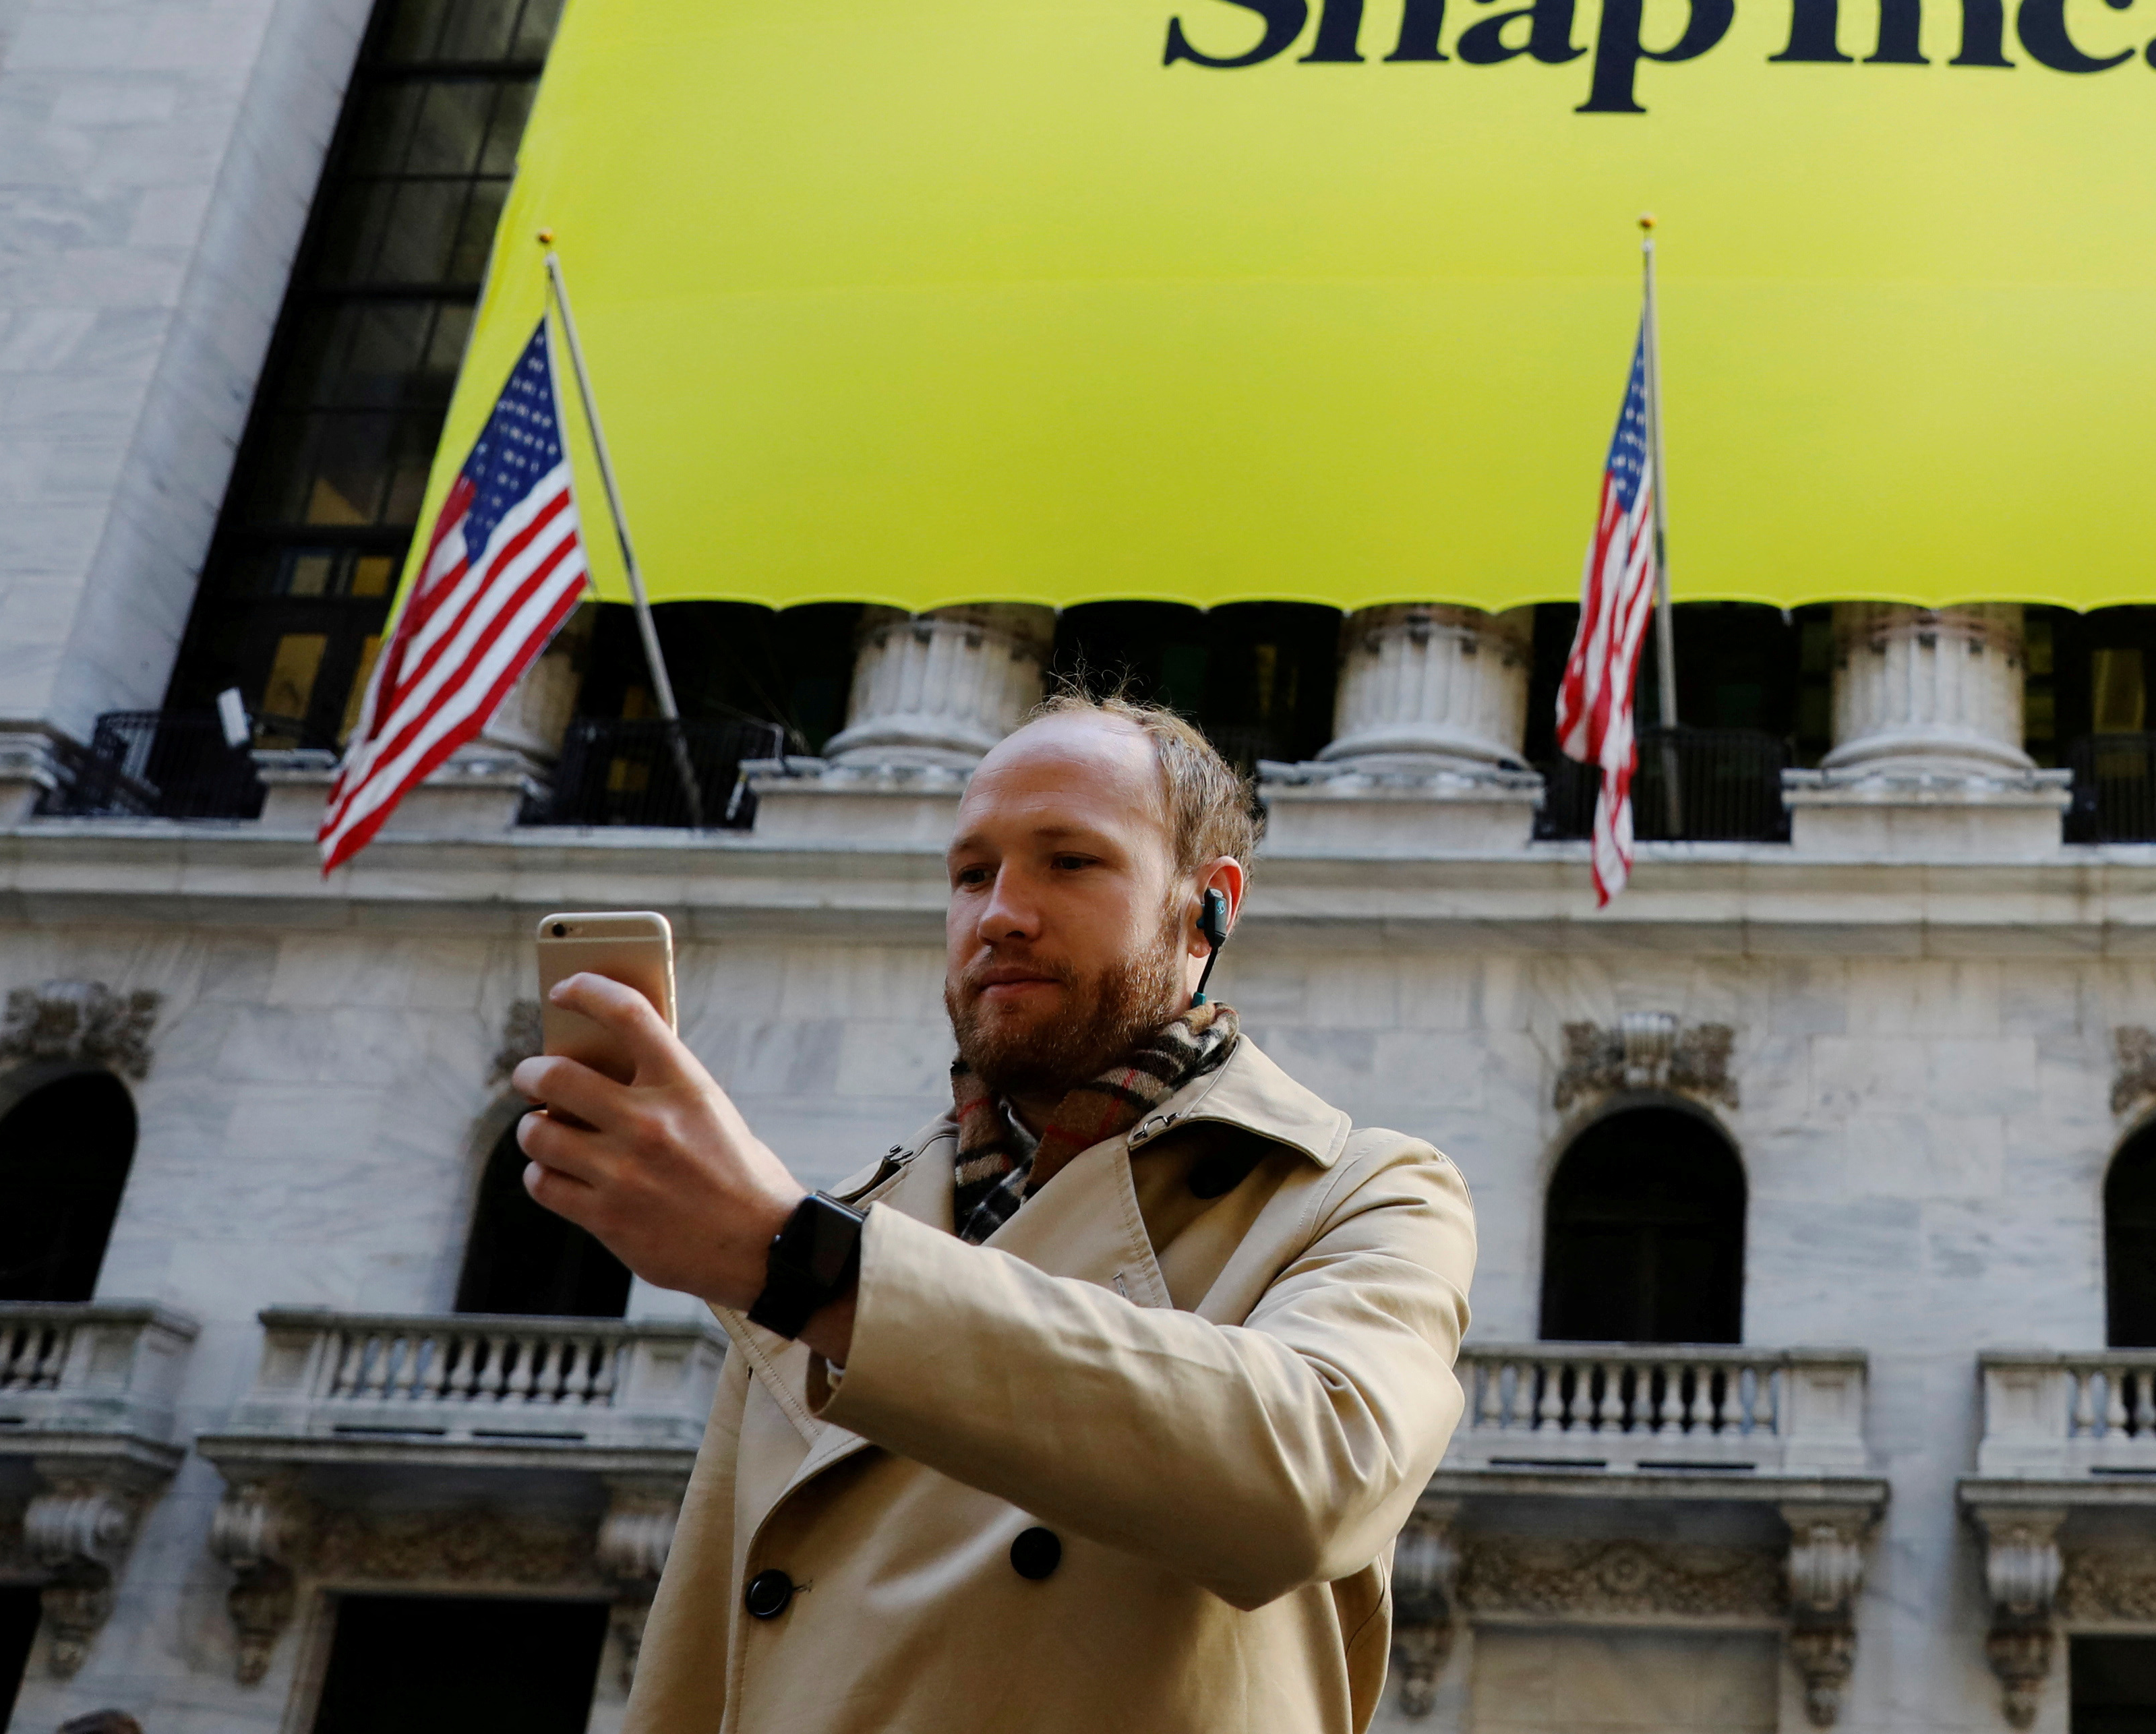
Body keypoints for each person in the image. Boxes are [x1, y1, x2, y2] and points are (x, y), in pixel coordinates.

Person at [514, 697, 1474, 1734]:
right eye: (973, 873)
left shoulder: (1364, 1191)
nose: (1001, 913)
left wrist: (806, 1262)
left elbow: (1309, 1480)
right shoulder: (836, 1223)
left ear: (1208, 909)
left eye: (1069, 862)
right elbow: (701, 1661)